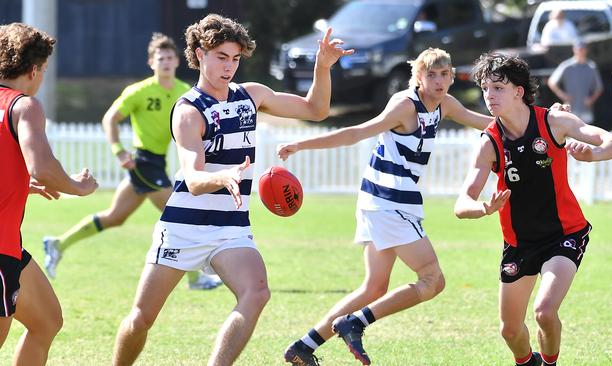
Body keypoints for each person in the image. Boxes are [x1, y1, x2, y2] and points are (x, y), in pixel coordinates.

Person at [111, 14, 353, 366]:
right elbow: (193, 179)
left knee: (256, 292)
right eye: (221, 57)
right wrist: (222, 176)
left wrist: (323, 65)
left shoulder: (250, 96)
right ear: (199, 54)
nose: (229, 67)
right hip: (184, 228)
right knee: (142, 318)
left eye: (235, 59)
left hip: (230, 227)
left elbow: (316, 109)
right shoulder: (189, 110)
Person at [278, 48, 496, 366]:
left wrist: (543, 122)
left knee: (374, 287)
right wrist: (301, 144)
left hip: (386, 201)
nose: (439, 80)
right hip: (387, 201)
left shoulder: (446, 104)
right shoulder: (404, 105)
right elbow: (356, 132)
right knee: (432, 280)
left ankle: (303, 346)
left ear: (451, 77)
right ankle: (355, 323)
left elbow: (489, 124)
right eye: (431, 74)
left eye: (444, 74)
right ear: (418, 77)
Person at [454, 53, 612, 366]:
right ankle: (528, 362)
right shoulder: (490, 141)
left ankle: (550, 363)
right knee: (509, 331)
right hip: (519, 244)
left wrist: (593, 155)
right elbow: (462, 202)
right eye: (485, 89)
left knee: (544, 311)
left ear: (518, 91)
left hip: (564, 234)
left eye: (497, 88)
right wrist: (483, 209)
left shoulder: (554, 121)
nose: (489, 96)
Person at [42, 33, 221, 289]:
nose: (166, 62)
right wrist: (118, 151)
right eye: (161, 58)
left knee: (114, 217)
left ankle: (58, 244)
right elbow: (110, 118)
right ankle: (195, 278)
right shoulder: (139, 91)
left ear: (177, 62)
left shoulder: (185, 92)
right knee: (183, 213)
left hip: (157, 163)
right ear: (151, 62)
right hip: (143, 163)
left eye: (170, 57)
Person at [0, 23, 98, 365]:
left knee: (46, 321)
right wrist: (78, 186)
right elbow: (43, 166)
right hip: (0, 251)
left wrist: (18, 183)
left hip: (10, 248)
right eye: (43, 71)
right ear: (33, 69)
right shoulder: (24, 106)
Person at [548, 40, 602, 124]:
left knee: (586, 134)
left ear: (586, 50)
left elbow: (599, 88)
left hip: (586, 109)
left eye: (582, 49)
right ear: (574, 50)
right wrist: (563, 95)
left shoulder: (591, 66)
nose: (581, 51)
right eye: (579, 49)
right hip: (570, 109)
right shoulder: (566, 66)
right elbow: (551, 82)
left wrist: (591, 99)